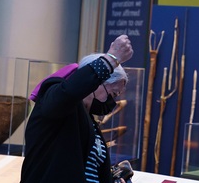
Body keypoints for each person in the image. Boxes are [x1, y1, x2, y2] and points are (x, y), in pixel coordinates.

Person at [20, 35, 133, 183]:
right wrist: (110, 60)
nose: (112, 101)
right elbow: (68, 94)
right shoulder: (57, 99)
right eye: (112, 94)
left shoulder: (90, 122)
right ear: (96, 82)